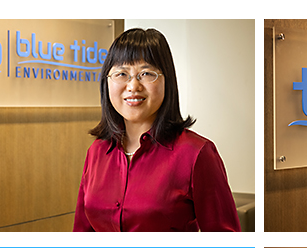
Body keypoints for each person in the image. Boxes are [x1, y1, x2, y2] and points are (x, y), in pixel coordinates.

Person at [73, 28, 240, 232]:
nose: (133, 86)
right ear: (106, 82)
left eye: (146, 73)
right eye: (122, 74)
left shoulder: (196, 154)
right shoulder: (96, 152)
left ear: (167, 80)